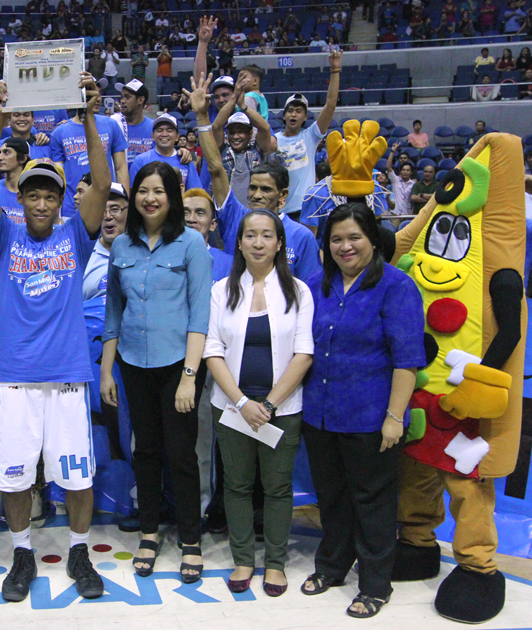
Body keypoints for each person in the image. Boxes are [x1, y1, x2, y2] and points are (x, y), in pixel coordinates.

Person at [0, 74, 110, 603]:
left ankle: (78, 550)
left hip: (70, 373)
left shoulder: (77, 231)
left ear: (60, 200)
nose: (43, 203)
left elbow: (99, 184)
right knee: (14, 477)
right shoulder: (4, 233)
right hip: (17, 378)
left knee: (76, 474)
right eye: (34, 194)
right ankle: (22, 552)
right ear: (22, 198)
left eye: (51, 194)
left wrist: (89, 115)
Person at [301, 203, 424, 618]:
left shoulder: (397, 286)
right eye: (336, 239)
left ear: (373, 239)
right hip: (320, 414)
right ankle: (333, 566)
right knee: (332, 497)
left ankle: (375, 584)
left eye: (354, 237)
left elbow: (407, 360)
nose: (345, 246)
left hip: (372, 418)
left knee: (372, 501)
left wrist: (394, 417)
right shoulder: (316, 284)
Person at [100, 156, 213, 584]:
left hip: (177, 367)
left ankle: (189, 541)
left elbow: (199, 314)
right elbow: (114, 313)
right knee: (144, 451)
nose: (150, 198)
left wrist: (189, 376)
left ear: (173, 198)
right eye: (143, 191)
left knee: (181, 456)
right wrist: (108, 371)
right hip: (132, 363)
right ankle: (149, 533)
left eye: (158, 192)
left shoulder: (190, 244)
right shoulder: (121, 247)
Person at [204, 208, 314, 597]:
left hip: (281, 409)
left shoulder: (299, 291)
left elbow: (304, 353)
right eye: (250, 235)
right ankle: (243, 559)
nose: (258, 243)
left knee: (277, 488)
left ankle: (276, 564)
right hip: (231, 407)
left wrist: (266, 404)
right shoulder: (222, 290)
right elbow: (212, 350)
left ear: (279, 243)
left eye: (267, 235)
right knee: (236, 484)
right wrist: (241, 402)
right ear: (239, 241)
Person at [191, 74, 321, 282]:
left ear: (282, 196)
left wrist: (243, 106)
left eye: (266, 189)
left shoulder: (301, 236)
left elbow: (312, 290)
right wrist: (201, 116)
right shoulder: (236, 217)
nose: (257, 195)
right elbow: (216, 169)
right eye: (253, 188)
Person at [275, 51, 342, 217]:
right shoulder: (274, 140)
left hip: (306, 210)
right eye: (289, 111)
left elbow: (331, 105)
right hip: (279, 210)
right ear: (284, 115)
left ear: (305, 117)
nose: (293, 115)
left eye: (298, 111)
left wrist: (335, 71)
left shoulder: (310, 136)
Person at [51, 94, 128, 218]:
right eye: (89, 95)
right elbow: (58, 175)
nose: (96, 98)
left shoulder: (111, 125)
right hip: (71, 207)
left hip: (106, 205)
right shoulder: (60, 132)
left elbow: (121, 168)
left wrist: (125, 202)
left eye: (98, 93)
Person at [83, 181, 128, 301]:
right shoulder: (84, 255)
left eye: (114, 209)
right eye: (101, 209)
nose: (108, 216)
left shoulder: (142, 251)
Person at [130, 114, 200, 190]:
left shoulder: (186, 160)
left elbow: (196, 194)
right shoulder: (140, 161)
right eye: (160, 130)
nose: (164, 134)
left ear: (177, 137)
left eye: (169, 131)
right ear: (153, 136)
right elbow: (133, 194)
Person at [183, 188, 232, 282]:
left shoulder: (228, 264)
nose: (191, 219)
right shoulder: (164, 256)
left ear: (212, 224)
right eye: (185, 213)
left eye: (199, 213)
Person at [111, 79, 155, 166]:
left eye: (127, 97)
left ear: (140, 100)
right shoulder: (115, 125)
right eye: (122, 97)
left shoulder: (154, 127)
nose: (122, 101)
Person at [0, 137, 31, 223]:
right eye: (0, 152)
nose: (0, 157)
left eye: (6, 152)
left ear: (22, 158)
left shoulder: (33, 193)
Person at [386, 142, 416, 218]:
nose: (405, 172)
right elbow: (388, 167)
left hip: (407, 214)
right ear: (400, 171)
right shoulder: (395, 180)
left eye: (407, 170)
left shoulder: (414, 184)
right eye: (403, 170)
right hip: (395, 214)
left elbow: (414, 202)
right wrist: (392, 152)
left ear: (411, 172)